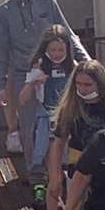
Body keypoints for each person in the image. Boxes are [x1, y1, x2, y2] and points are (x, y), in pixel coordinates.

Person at [0, 0, 89, 165]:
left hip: (55, 70)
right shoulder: (3, 11)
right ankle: (34, 168)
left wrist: (86, 62)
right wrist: (1, 85)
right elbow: (0, 49)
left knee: (60, 119)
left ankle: (61, 166)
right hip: (22, 73)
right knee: (29, 123)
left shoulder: (47, 2)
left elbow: (67, 33)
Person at [45, 59, 105, 210]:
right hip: (78, 161)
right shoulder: (70, 107)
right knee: (76, 207)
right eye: (79, 84)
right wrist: (55, 174)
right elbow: (58, 142)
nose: (83, 89)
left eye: (88, 85)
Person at [17, 24, 76, 200]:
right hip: (48, 122)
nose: (57, 53)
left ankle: (64, 197)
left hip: (69, 121)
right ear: (46, 49)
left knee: (68, 162)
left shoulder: (73, 67)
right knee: (51, 162)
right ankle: (48, 196)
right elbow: (23, 98)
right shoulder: (39, 67)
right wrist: (34, 82)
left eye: (60, 49)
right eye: (53, 49)